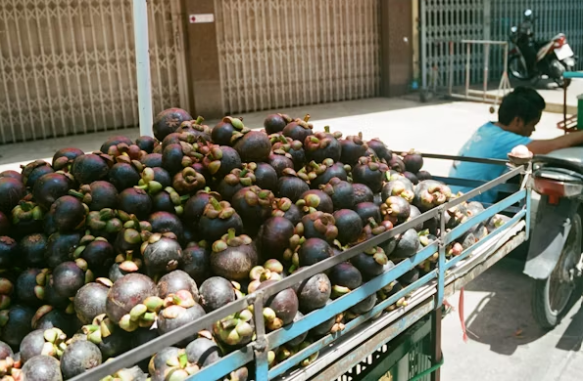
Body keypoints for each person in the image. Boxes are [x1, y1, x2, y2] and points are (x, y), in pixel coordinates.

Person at [449, 86, 583, 203]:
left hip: (454, 195)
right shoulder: (502, 141)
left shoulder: (487, 129)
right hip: (469, 205)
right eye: (532, 125)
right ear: (518, 121)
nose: (533, 130)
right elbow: (555, 145)